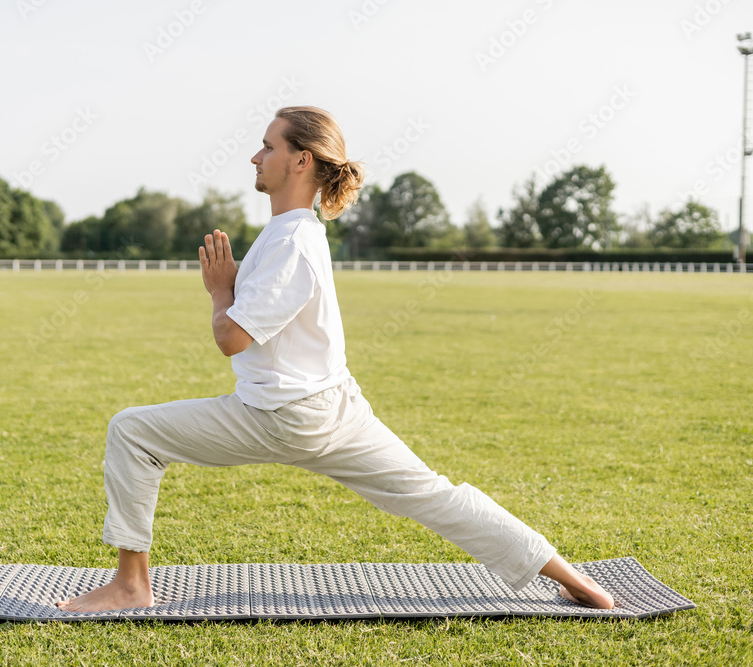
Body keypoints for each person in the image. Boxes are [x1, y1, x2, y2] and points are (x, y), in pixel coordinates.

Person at [58, 106, 613, 612]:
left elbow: (232, 339)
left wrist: (220, 291)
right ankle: (576, 582)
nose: (255, 156)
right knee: (435, 496)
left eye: (267, 147)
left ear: (300, 160)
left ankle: (131, 586)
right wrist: (229, 290)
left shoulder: (292, 242)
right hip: (335, 407)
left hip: (284, 416)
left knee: (132, 432)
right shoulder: (290, 234)